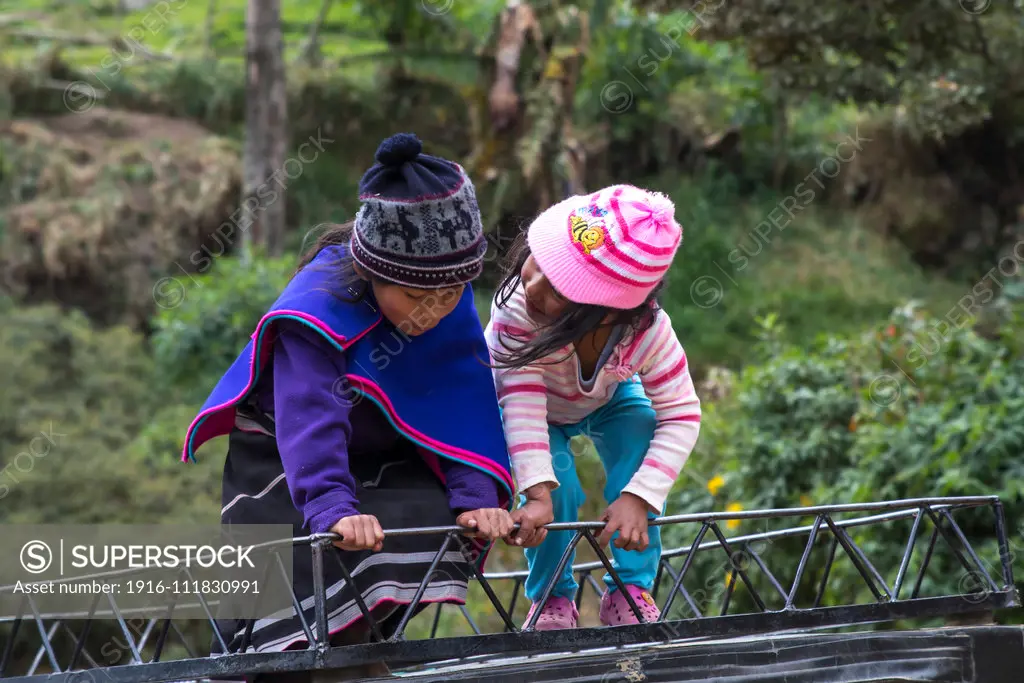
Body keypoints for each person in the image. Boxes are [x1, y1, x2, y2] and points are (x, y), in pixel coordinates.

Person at [182, 133, 516, 679]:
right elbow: (310, 420)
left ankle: (360, 656)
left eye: (453, 295)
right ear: (374, 273)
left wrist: (477, 495)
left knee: (432, 517)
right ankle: (322, 666)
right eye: (415, 298)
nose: (435, 310)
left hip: (383, 453)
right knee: (302, 566)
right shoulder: (317, 308)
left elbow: (461, 402)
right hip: (287, 461)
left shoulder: (443, 293)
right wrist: (333, 507)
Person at [485, 184, 702, 630]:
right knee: (557, 486)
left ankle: (630, 589)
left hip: (609, 395)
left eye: (560, 290)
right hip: (538, 408)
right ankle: (551, 599)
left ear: (607, 314)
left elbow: (681, 413)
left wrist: (638, 497)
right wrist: (537, 494)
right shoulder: (515, 307)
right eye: (539, 261)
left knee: (640, 429)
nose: (533, 284)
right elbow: (520, 401)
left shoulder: (647, 333)